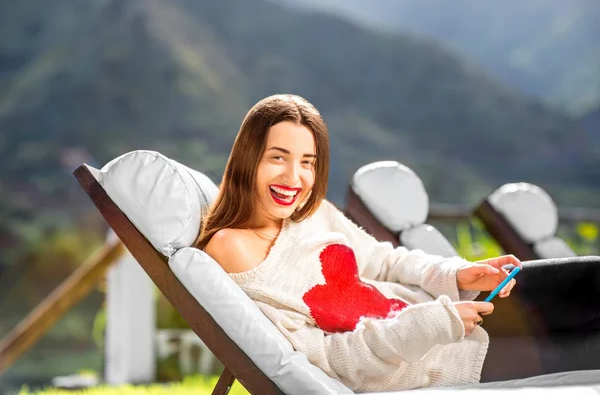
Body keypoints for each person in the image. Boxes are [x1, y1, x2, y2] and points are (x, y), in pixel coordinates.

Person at [196, 94, 600, 392]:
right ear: (249, 159)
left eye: (308, 162)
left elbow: (384, 261)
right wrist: (435, 323)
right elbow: (330, 357)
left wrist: (458, 272)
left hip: (455, 314)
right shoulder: (235, 248)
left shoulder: (313, 211)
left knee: (589, 279)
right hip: (439, 358)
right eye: (277, 157)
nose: (294, 178)